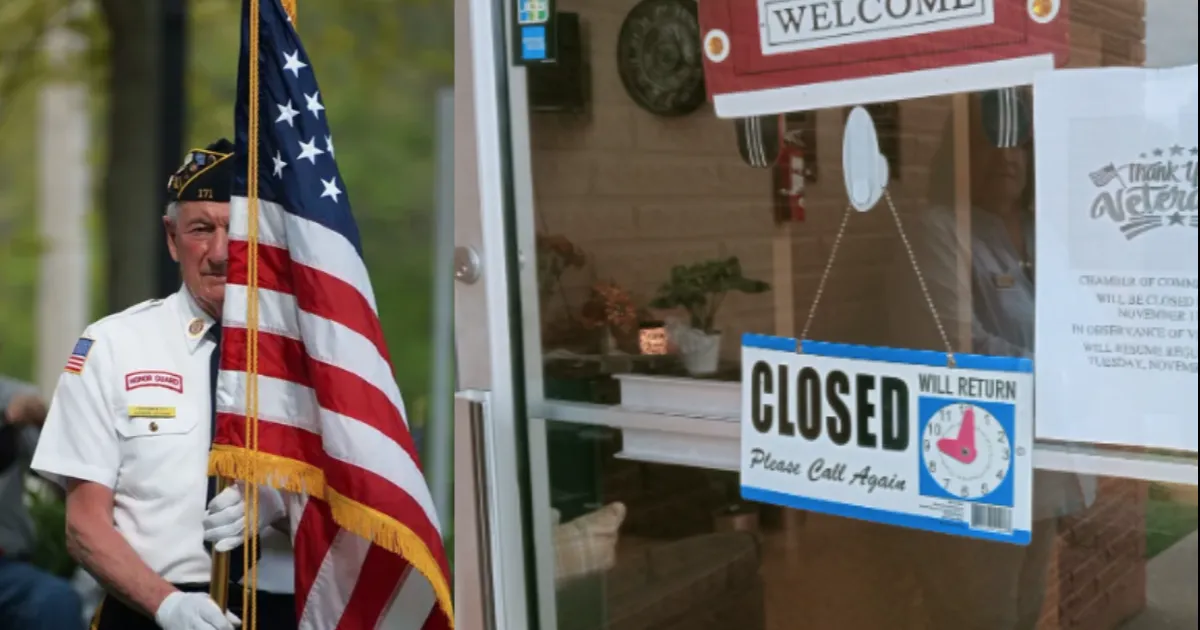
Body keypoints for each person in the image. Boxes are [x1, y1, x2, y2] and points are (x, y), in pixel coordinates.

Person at [30, 139, 296, 630]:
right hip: (149, 608)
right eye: (201, 229)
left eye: (236, 230)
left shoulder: (309, 356)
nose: (220, 252)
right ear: (172, 239)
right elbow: (84, 523)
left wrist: (280, 503)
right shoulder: (112, 346)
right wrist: (167, 604)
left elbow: (360, 498)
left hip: (282, 609)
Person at [886, 88, 1096, 629]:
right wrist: (1067, 370)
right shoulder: (939, 230)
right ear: (958, 155)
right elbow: (954, 347)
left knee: (1025, 609)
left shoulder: (1039, 231)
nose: (1007, 157)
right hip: (977, 460)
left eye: (1019, 144)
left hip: (1048, 454)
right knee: (982, 613)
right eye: (990, 142)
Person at [0, 376, 85, 630]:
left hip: (8, 568)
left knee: (55, 601)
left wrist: (45, 423)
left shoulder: (15, 397)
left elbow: (65, 484)